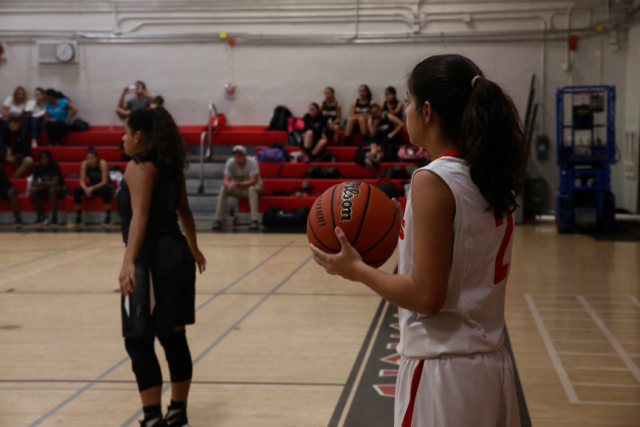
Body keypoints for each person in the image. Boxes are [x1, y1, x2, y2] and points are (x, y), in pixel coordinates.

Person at [309, 54, 528, 427]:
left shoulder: (431, 179)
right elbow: (461, 254)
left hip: (444, 374)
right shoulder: (484, 172)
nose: (406, 112)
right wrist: (407, 226)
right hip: (491, 367)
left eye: (408, 103)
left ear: (427, 111)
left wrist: (356, 270)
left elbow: (427, 297)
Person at [116, 107, 206, 427]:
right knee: (173, 337)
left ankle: (153, 419)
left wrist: (129, 261)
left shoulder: (139, 167)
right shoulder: (171, 166)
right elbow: (185, 213)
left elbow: (139, 216)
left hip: (151, 258)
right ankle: (177, 414)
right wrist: (193, 249)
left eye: (126, 133)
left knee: (138, 340)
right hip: (176, 254)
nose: (123, 138)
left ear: (139, 136)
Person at [212, 145, 262, 231]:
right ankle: (218, 220)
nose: (237, 159)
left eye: (239, 157)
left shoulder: (252, 162)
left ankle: (255, 220)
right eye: (235, 157)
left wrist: (237, 183)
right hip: (239, 188)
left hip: (253, 187)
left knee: (252, 189)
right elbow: (225, 180)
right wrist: (229, 184)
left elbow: (253, 181)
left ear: (245, 156)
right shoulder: (230, 162)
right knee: (223, 188)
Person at [72, 146, 113, 227]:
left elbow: (105, 181)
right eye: (88, 158)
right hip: (93, 187)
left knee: (105, 190)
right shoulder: (85, 164)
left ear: (97, 158)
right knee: (77, 190)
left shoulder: (102, 163)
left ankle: (108, 216)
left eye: (92, 158)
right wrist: (86, 189)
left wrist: (91, 188)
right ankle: (78, 216)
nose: (90, 160)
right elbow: (81, 182)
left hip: (104, 185)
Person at [30, 149, 66, 225]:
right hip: (45, 189)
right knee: (32, 191)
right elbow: (34, 183)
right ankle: (40, 216)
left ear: (49, 158)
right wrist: (46, 183)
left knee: (52, 190)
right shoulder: (38, 167)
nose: (44, 160)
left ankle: (54, 217)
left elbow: (54, 183)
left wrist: (41, 184)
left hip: (59, 189)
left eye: (46, 157)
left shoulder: (55, 166)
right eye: (42, 158)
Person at [364, 103, 405, 169]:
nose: (376, 114)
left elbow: (401, 124)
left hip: (387, 138)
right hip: (377, 138)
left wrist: (393, 133)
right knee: (373, 145)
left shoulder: (387, 116)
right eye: (373, 113)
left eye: (377, 112)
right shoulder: (371, 120)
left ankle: (376, 159)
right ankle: (373, 157)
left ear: (380, 110)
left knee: (381, 147)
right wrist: (375, 125)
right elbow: (372, 134)